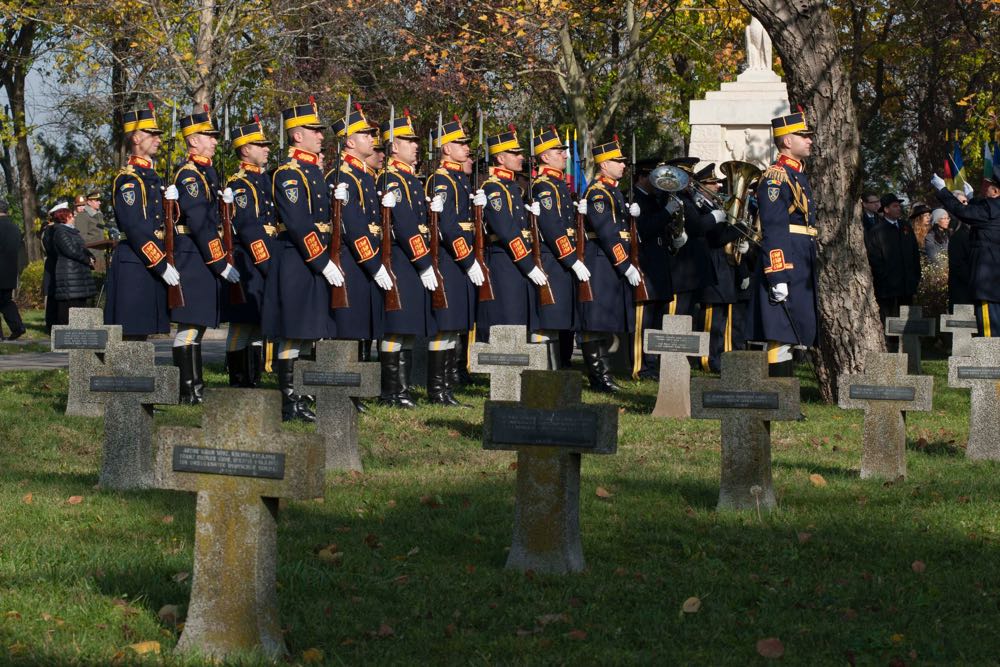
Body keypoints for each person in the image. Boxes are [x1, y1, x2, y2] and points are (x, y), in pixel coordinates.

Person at [262, 99, 339, 421]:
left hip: (315, 255)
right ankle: (289, 400)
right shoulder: (289, 174)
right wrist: (321, 260)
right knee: (293, 330)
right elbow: (297, 222)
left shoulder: (313, 171)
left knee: (310, 329)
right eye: (314, 130)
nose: (321, 136)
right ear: (297, 135)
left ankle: (304, 395)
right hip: (298, 258)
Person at [171, 108, 241, 404]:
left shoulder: (206, 172)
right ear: (193, 141)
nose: (214, 142)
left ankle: (194, 388)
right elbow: (199, 223)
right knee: (190, 324)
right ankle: (188, 391)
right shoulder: (189, 175)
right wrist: (219, 262)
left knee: (197, 325)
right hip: (192, 256)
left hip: (201, 256)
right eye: (209, 137)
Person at [328, 106, 392, 405]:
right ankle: (343, 390)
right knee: (348, 327)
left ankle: (356, 389)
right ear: (350, 142)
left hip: (368, 258)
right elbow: (352, 225)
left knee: (363, 324)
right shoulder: (342, 175)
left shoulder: (364, 176)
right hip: (353, 260)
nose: (372, 138)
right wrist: (373, 263)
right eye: (366, 134)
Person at [748, 111, 818, 377]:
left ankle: (784, 394)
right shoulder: (776, 177)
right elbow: (775, 229)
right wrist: (778, 274)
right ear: (787, 140)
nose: (809, 141)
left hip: (801, 258)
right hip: (786, 260)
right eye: (803, 136)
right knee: (780, 331)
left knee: (792, 330)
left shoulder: (797, 174)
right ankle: (779, 394)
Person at [378, 112, 439, 406]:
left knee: (410, 326)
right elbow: (402, 224)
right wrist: (423, 261)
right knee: (397, 325)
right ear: (393, 146)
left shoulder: (410, 179)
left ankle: (403, 389)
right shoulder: (391, 178)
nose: (416, 145)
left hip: (415, 259)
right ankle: (392, 391)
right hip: (402, 259)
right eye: (409, 141)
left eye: (416, 141)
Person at [104, 104, 176, 341]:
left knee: (142, 336)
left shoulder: (152, 178)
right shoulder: (129, 179)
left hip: (149, 261)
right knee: (130, 335)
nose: (157, 139)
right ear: (136, 138)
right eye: (151, 134)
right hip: (136, 262)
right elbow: (135, 228)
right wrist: (160, 263)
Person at [425, 116, 483, 404]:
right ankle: (437, 390)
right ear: (446, 148)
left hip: (461, 260)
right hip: (450, 260)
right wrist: (468, 259)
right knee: (444, 325)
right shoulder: (442, 180)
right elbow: (447, 226)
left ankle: (447, 387)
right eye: (460, 143)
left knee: (455, 326)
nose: (466, 148)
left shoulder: (459, 179)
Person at [579, 137, 641, 392]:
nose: (623, 166)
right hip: (602, 262)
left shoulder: (613, 190)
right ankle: (598, 377)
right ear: (604, 165)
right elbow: (606, 232)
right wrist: (624, 264)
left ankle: (605, 374)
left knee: (605, 321)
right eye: (618, 161)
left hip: (611, 262)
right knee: (596, 321)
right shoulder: (597, 193)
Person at [478, 126, 544, 343]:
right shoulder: (493, 188)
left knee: (519, 317)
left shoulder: (513, 187)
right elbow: (506, 231)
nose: (521, 157)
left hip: (518, 258)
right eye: (515, 153)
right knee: (507, 318)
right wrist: (528, 264)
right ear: (500, 158)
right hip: (505, 260)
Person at [531, 126, 589, 369]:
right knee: (553, 317)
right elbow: (553, 228)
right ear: (545, 156)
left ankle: (561, 367)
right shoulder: (544, 186)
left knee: (564, 316)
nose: (565, 155)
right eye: (559, 151)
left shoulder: (559, 185)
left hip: (564, 259)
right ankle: (550, 369)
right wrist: (571, 260)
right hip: (554, 260)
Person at [223, 117, 275, 388]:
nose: (266, 149)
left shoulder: (264, 179)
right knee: (242, 325)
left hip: (267, 256)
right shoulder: (240, 183)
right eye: (259, 144)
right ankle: (239, 379)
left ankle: (254, 379)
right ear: (245, 149)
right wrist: (267, 262)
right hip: (251, 261)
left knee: (257, 323)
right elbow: (248, 227)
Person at [931, 168, 1000, 334]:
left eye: (987, 187)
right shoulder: (992, 209)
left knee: (989, 336)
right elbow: (981, 212)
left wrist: (942, 190)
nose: (984, 190)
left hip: (987, 285)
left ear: (996, 191)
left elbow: (962, 211)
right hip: (995, 283)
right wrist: (970, 198)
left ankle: (990, 361)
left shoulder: (991, 208)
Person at [632, 158, 683, 379]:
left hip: (660, 266)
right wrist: (666, 213)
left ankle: (652, 364)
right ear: (643, 177)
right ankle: (639, 365)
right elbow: (644, 229)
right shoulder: (635, 199)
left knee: (657, 321)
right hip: (645, 266)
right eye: (655, 178)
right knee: (644, 321)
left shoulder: (656, 199)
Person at [864, 193, 921, 335]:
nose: (898, 208)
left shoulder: (905, 227)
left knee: (906, 317)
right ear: (886, 209)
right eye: (895, 206)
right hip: (888, 286)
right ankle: (890, 345)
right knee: (889, 318)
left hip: (907, 283)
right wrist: (884, 276)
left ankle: (907, 344)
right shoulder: (877, 231)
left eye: (899, 205)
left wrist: (915, 275)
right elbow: (875, 258)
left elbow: (914, 252)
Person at [49, 203, 97, 325]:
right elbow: (70, 250)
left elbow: (82, 248)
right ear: (64, 217)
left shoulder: (72, 232)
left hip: (78, 273)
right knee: (69, 305)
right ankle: (65, 333)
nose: (74, 218)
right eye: (71, 216)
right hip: (69, 274)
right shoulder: (60, 232)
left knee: (80, 304)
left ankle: (79, 330)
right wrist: (87, 260)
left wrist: (91, 256)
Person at [0, 199, 27, 340]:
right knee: (6, 301)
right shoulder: (15, 228)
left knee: (4, 302)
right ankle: (18, 326)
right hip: (10, 271)